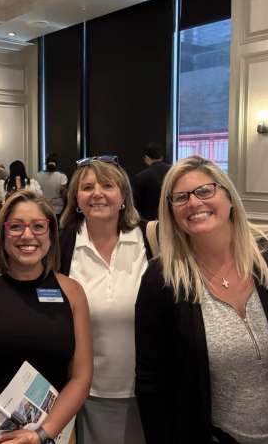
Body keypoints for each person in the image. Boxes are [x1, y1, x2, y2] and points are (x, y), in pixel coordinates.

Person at [134, 155, 268, 444]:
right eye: (180, 198)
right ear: (171, 212)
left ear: (230, 198)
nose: (194, 203)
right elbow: (151, 381)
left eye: (204, 191)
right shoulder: (162, 279)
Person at [0, 190, 93, 444]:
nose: (27, 235)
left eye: (38, 226)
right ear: (3, 233)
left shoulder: (72, 292)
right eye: (16, 226)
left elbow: (81, 377)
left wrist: (42, 434)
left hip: (50, 428)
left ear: (50, 233)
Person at [58, 155, 151, 444]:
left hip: (147, 392)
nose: (97, 193)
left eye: (107, 185)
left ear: (123, 197)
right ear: (76, 199)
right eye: (87, 187)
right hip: (81, 394)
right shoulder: (61, 246)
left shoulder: (151, 239)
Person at [130, 142, 170, 221]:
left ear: (146, 158)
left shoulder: (140, 177)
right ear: (161, 157)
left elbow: (134, 205)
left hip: (149, 223)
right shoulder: (174, 172)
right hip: (172, 220)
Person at [34, 154, 68, 220]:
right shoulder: (62, 176)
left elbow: (35, 193)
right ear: (56, 164)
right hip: (58, 209)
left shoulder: (38, 176)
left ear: (46, 164)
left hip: (42, 208)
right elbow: (63, 193)